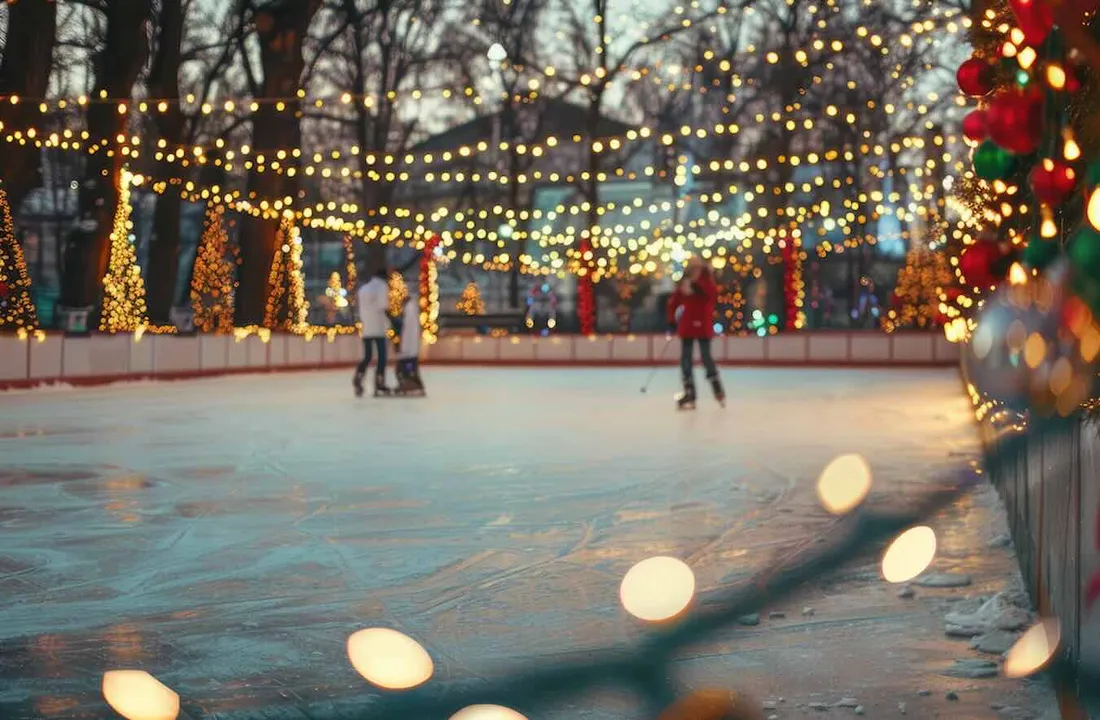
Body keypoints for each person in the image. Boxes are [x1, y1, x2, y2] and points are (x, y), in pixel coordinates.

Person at [667, 256, 724, 410]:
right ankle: (689, 392)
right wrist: (672, 321)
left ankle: (717, 388)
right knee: (686, 359)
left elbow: (710, 295)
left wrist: (695, 287)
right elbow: (674, 302)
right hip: (687, 326)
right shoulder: (684, 282)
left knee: (706, 357)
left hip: (702, 325)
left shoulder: (706, 281)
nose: (695, 269)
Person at [353, 266, 391, 397]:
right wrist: (394, 321)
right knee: (381, 358)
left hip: (367, 328)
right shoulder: (382, 287)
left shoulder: (364, 289)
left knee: (367, 357)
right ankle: (379, 383)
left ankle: (358, 378)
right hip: (379, 327)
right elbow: (384, 306)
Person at [394, 288, 426, 396]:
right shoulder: (410, 309)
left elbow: (408, 331)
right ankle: (414, 385)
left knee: (407, 369)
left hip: (408, 350)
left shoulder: (410, 309)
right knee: (409, 369)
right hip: (409, 349)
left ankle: (412, 385)